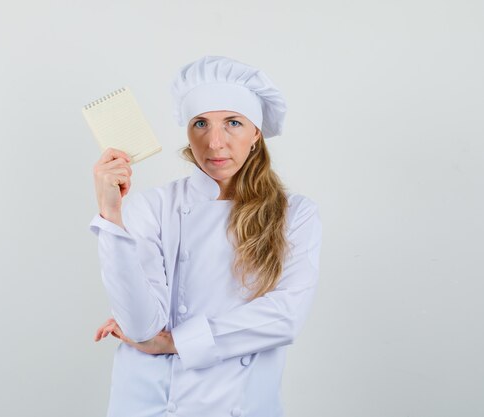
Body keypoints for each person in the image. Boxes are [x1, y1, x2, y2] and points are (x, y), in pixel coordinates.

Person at [89, 56, 322, 417]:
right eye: (201, 123)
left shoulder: (295, 214)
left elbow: (284, 316)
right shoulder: (152, 207)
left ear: (256, 133)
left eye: (233, 123)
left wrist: (174, 342)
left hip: (238, 405)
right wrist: (111, 215)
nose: (214, 143)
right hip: (148, 402)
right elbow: (140, 326)